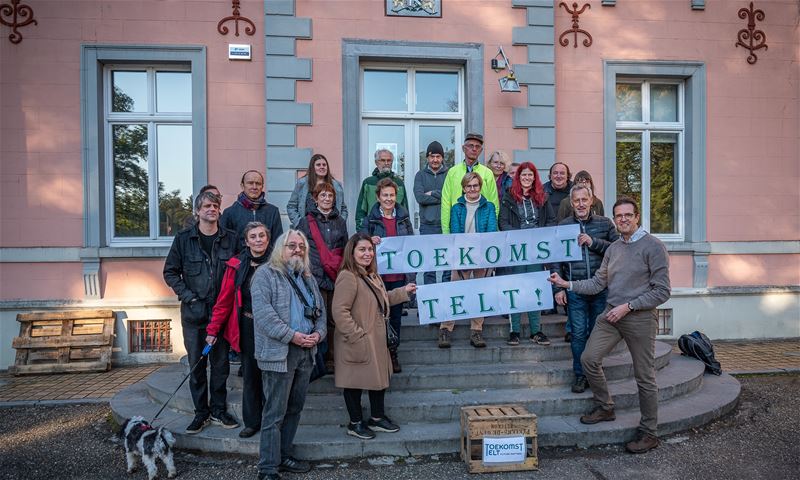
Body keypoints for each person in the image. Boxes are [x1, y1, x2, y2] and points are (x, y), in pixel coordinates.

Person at [548, 196, 671, 454]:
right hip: (611, 314)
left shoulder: (653, 246)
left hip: (638, 316)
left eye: (628, 215)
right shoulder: (614, 248)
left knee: (644, 377)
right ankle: (605, 406)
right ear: (614, 219)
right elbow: (596, 283)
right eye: (619, 216)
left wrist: (629, 306)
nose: (623, 219)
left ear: (637, 217)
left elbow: (662, 292)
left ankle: (649, 432)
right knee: (589, 359)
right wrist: (566, 284)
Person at [251, 230, 327, 479]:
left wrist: (318, 334)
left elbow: (321, 312)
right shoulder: (265, 275)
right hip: (279, 353)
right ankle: (267, 468)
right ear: (280, 249)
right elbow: (264, 316)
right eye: (291, 245)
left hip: (306, 351)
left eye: (301, 246)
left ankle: (284, 456)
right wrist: (292, 336)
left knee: (294, 408)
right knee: (274, 412)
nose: (297, 250)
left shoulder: (307, 277)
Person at [163, 190, 239, 434]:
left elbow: (240, 270)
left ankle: (218, 410)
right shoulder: (184, 239)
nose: (211, 209)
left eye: (215, 205)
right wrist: (189, 297)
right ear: (197, 211)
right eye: (207, 206)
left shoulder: (231, 238)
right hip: (194, 315)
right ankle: (201, 413)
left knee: (220, 367)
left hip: (222, 314)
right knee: (197, 366)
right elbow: (170, 272)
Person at [332, 233, 416, 439]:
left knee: (378, 379)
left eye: (370, 249)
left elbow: (382, 299)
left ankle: (377, 418)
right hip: (357, 340)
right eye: (362, 249)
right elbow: (339, 311)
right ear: (351, 252)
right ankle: (355, 423)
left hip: (375, 339)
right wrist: (356, 335)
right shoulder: (348, 276)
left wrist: (404, 291)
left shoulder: (371, 275)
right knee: (353, 382)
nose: (367, 253)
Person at [206, 222, 271, 438]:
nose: (258, 239)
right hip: (248, 325)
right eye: (253, 236)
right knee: (251, 375)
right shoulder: (236, 266)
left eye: (262, 235)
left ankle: (273, 421)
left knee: (273, 376)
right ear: (246, 241)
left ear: (268, 239)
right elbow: (224, 301)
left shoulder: (279, 263)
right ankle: (252, 422)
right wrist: (213, 330)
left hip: (274, 327)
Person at [553, 185, 618, 393]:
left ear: (591, 201)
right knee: (579, 334)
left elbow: (619, 250)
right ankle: (580, 375)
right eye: (576, 201)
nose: (580, 204)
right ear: (571, 203)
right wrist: (558, 289)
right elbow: (556, 259)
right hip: (575, 290)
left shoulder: (605, 224)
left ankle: (595, 372)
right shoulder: (563, 226)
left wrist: (593, 242)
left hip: (600, 288)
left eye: (584, 200)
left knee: (597, 334)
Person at [359, 178, 414, 373]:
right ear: (378, 197)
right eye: (385, 195)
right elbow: (360, 244)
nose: (389, 199)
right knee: (377, 317)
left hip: (398, 277)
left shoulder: (404, 218)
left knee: (396, 318)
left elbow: (412, 247)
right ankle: (378, 355)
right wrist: (368, 240)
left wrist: (411, 276)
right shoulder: (370, 220)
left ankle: (393, 353)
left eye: (392, 195)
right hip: (377, 279)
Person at [498, 162, 556, 346]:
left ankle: (536, 331)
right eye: (524, 175)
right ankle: (514, 331)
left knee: (535, 288)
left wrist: (539, 235)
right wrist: (519, 236)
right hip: (516, 250)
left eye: (530, 175)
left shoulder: (542, 197)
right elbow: (503, 222)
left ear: (535, 177)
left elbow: (552, 221)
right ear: (518, 177)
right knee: (514, 289)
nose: (527, 178)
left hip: (536, 251)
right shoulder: (508, 198)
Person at [438, 172, 497, 349]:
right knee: (453, 292)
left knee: (480, 293)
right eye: (469, 186)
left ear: (480, 187)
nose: (472, 189)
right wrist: (461, 255)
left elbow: (491, 230)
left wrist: (484, 256)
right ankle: (445, 329)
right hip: (461, 255)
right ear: (464, 188)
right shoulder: (457, 208)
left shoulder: (489, 207)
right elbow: (456, 231)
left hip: (481, 256)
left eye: (476, 185)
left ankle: (476, 330)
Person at [297, 182, 349, 371]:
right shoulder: (306, 221)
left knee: (335, 317)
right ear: (315, 198)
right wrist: (304, 271)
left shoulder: (340, 221)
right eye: (323, 196)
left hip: (336, 276)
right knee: (317, 318)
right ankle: (316, 359)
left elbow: (346, 247)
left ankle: (332, 358)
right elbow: (299, 248)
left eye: (330, 196)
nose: (327, 199)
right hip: (314, 276)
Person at [440, 133, 498, 234]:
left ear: (481, 150)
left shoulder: (487, 173)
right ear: (463, 148)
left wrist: (490, 232)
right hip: (457, 226)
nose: (474, 149)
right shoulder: (452, 172)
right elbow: (445, 203)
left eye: (477, 146)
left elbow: (494, 203)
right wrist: (446, 231)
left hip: (482, 228)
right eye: (471, 145)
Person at [413, 140, 451, 286]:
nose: (435, 160)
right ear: (427, 158)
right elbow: (420, 197)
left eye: (438, 157)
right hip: (427, 226)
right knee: (430, 266)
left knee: (447, 264)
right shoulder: (420, 175)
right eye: (432, 156)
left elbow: (451, 196)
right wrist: (442, 196)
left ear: (442, 158)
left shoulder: (449, 174)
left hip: (445, 225)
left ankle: (446, 297)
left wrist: (432, 193)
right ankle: (431, 300)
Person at [221, 170, 283, 256]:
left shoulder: (273, 211)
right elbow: (225, 244)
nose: (254, 187)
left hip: (267, 263)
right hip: (239, 264)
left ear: (262, 186)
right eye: (250, 183)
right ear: (242, 186)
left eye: (258, 183)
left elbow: (278, 241)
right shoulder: (230, 213)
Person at [286, 153, 348, 228]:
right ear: (312, 167)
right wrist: (300, 224)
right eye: (318, 165)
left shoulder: (336, 185)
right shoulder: (302, 184)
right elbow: (291, 206)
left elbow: (343, 208)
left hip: (331, 230)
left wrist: (339, 224)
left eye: (324, 165)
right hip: (307, 230)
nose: (322, 167)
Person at [355, 149, 409, 230]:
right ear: (376, 162)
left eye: (389, 160)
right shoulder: (368, 182)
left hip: (396, 230)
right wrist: (362, 233)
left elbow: (405, 210)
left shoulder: (399, 183)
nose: (386, 163)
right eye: (383, 160)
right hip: (372, 230)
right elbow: (361, 211)